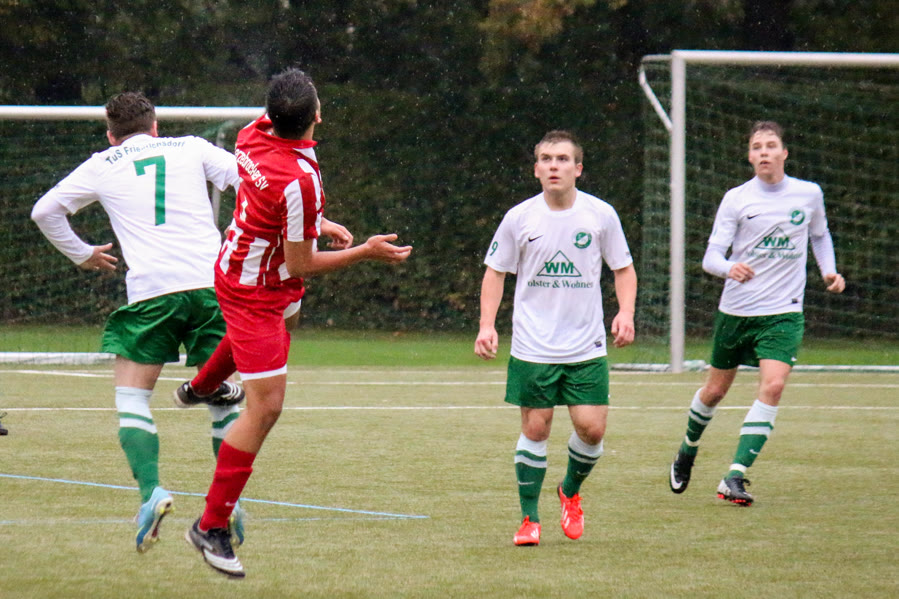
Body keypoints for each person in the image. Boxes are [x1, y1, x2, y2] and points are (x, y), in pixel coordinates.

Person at [184, 67, 412, 578]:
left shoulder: (251, 134)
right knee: (266, 408)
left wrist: (315, 222)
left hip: (240, 266)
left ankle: (201, 386)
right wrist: (366, 251)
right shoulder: (302, 181)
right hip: (256, 291)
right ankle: (210, 526)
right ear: (317, 117)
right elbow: (303, 261)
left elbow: (267, 197)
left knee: (286, 324)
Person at [30, 92, 247, 553]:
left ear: (112, 135)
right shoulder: (192, 147)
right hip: (213, 288)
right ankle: (226, 504)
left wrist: (82, 253)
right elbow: (251, 181)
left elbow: (44, 212)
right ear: (155, 126)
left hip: (153, 293)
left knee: (132, 398)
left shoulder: (102, 164)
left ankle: (152, 492)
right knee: (222, 399)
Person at [667, 120, 845, 506]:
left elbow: (819, 235)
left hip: (784, 312)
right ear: (749, 157)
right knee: (715, 391)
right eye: (757, 147)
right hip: (737, 311)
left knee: (774, 386)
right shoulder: (737, 199)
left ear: (784, 153)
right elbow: (711, 257)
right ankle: (688, 448)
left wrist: (828, 271)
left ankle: (734, 475)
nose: (764, 152)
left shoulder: (808, 194)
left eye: (771, 145)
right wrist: (729, 267)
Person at [474, 130, 637, 546]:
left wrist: (625, 312)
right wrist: (487, 325)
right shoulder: (519, 218)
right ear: (536, 169)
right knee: (536, 427)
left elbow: (623, 268)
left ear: (578, 169)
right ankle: (529, 519)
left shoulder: (600, 215)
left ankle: (569, 490)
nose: (554, 166)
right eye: (546, 159)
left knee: (592, 430)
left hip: (586, 345)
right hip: (533, 344)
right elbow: (495, 271)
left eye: (562, 159)